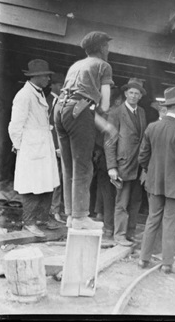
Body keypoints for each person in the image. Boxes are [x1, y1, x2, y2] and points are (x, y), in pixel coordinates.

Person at [54, 31, 114, 230]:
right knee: (83, 166)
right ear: (101, 48)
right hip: (79, 110)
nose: (108, 50)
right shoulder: (103, 66)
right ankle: (80, 217)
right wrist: (105, 120)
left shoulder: (76, 65)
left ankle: (72, 214)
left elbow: (77, 101)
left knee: (68, 164)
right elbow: (104, 104)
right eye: (107, 46)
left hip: (60, 109)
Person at [137, 86, 175, 273]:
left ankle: (143, 259)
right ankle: (167, 264)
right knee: (171, 223)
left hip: (154, 183)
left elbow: (142, 157)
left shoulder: (152, 127)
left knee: (152, 219)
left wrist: (151, 172)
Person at [8, 59, 61, 237]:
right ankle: (29, 222)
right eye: (46, 76)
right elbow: (15, 126)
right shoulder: (24, 96)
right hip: (31, 148)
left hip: (42, 145)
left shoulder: (37, 93)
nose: (48, 79)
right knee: (31, 186)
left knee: (47, 184)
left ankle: (42, 219)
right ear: (36, 77)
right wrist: (20, 147)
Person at [105, 79, 148, 246]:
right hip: (123, 164)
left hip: (139, 164)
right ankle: (120, 235)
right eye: (131, 92)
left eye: (137, 93)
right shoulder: (116, 113)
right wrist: (111, 167)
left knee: (136, 200)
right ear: (125, 93)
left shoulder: (142, 112)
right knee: (122, 201)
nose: (134, 96)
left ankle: (130, 232)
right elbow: (109, 140)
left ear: (140, 96)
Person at [93, 86, 123, 238]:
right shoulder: (114, 115)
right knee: (111, 194)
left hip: (101, 157)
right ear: (117, 100)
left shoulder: (101, 114)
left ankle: (101, 217)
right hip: (109, 159)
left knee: (104, 191)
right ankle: (110, 227)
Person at [46, 72, 66, 223]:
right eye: (59, 85)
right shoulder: (50, 101)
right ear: (52, 85)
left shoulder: (60, 101)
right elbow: (49, 127)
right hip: (52, 148)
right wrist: (56, 147)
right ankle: (53, 210)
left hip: (59, 148)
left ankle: (54, 209)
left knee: (58, 180)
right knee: (54, 180)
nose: (61, 88)